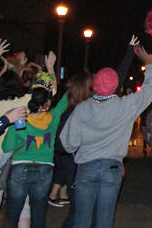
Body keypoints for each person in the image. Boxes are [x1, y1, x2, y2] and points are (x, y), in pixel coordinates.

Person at [60, 42, 152, 228]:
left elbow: (68, 144)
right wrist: (148, 64)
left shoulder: (81, 110)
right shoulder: (125, 106)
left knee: (81, 219)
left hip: (85, 167)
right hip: (112, 169)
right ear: (116, 87)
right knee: (105, 219)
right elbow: (151, 89)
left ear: (94, 86)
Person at [1, 53, 67, 228]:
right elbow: (62, 101)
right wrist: (51, 69)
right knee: (38, 213)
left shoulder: (21, 120)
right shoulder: (52, 118)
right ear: (46, 104)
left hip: (20, 167)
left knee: (12, 214)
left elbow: (7, 146)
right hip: (45, 168)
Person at [0, 70, 31, 228]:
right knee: (23, 206)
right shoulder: (25, 103)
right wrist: (49, 67)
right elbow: (50, 89)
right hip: (19, 157)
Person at [49, 72, 93, 227]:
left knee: (80, 210)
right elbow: (61, 145)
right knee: (79, 211)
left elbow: (60, 145)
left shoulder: (68, 112)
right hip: (77, 165)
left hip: (74, 164)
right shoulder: (79, 113)